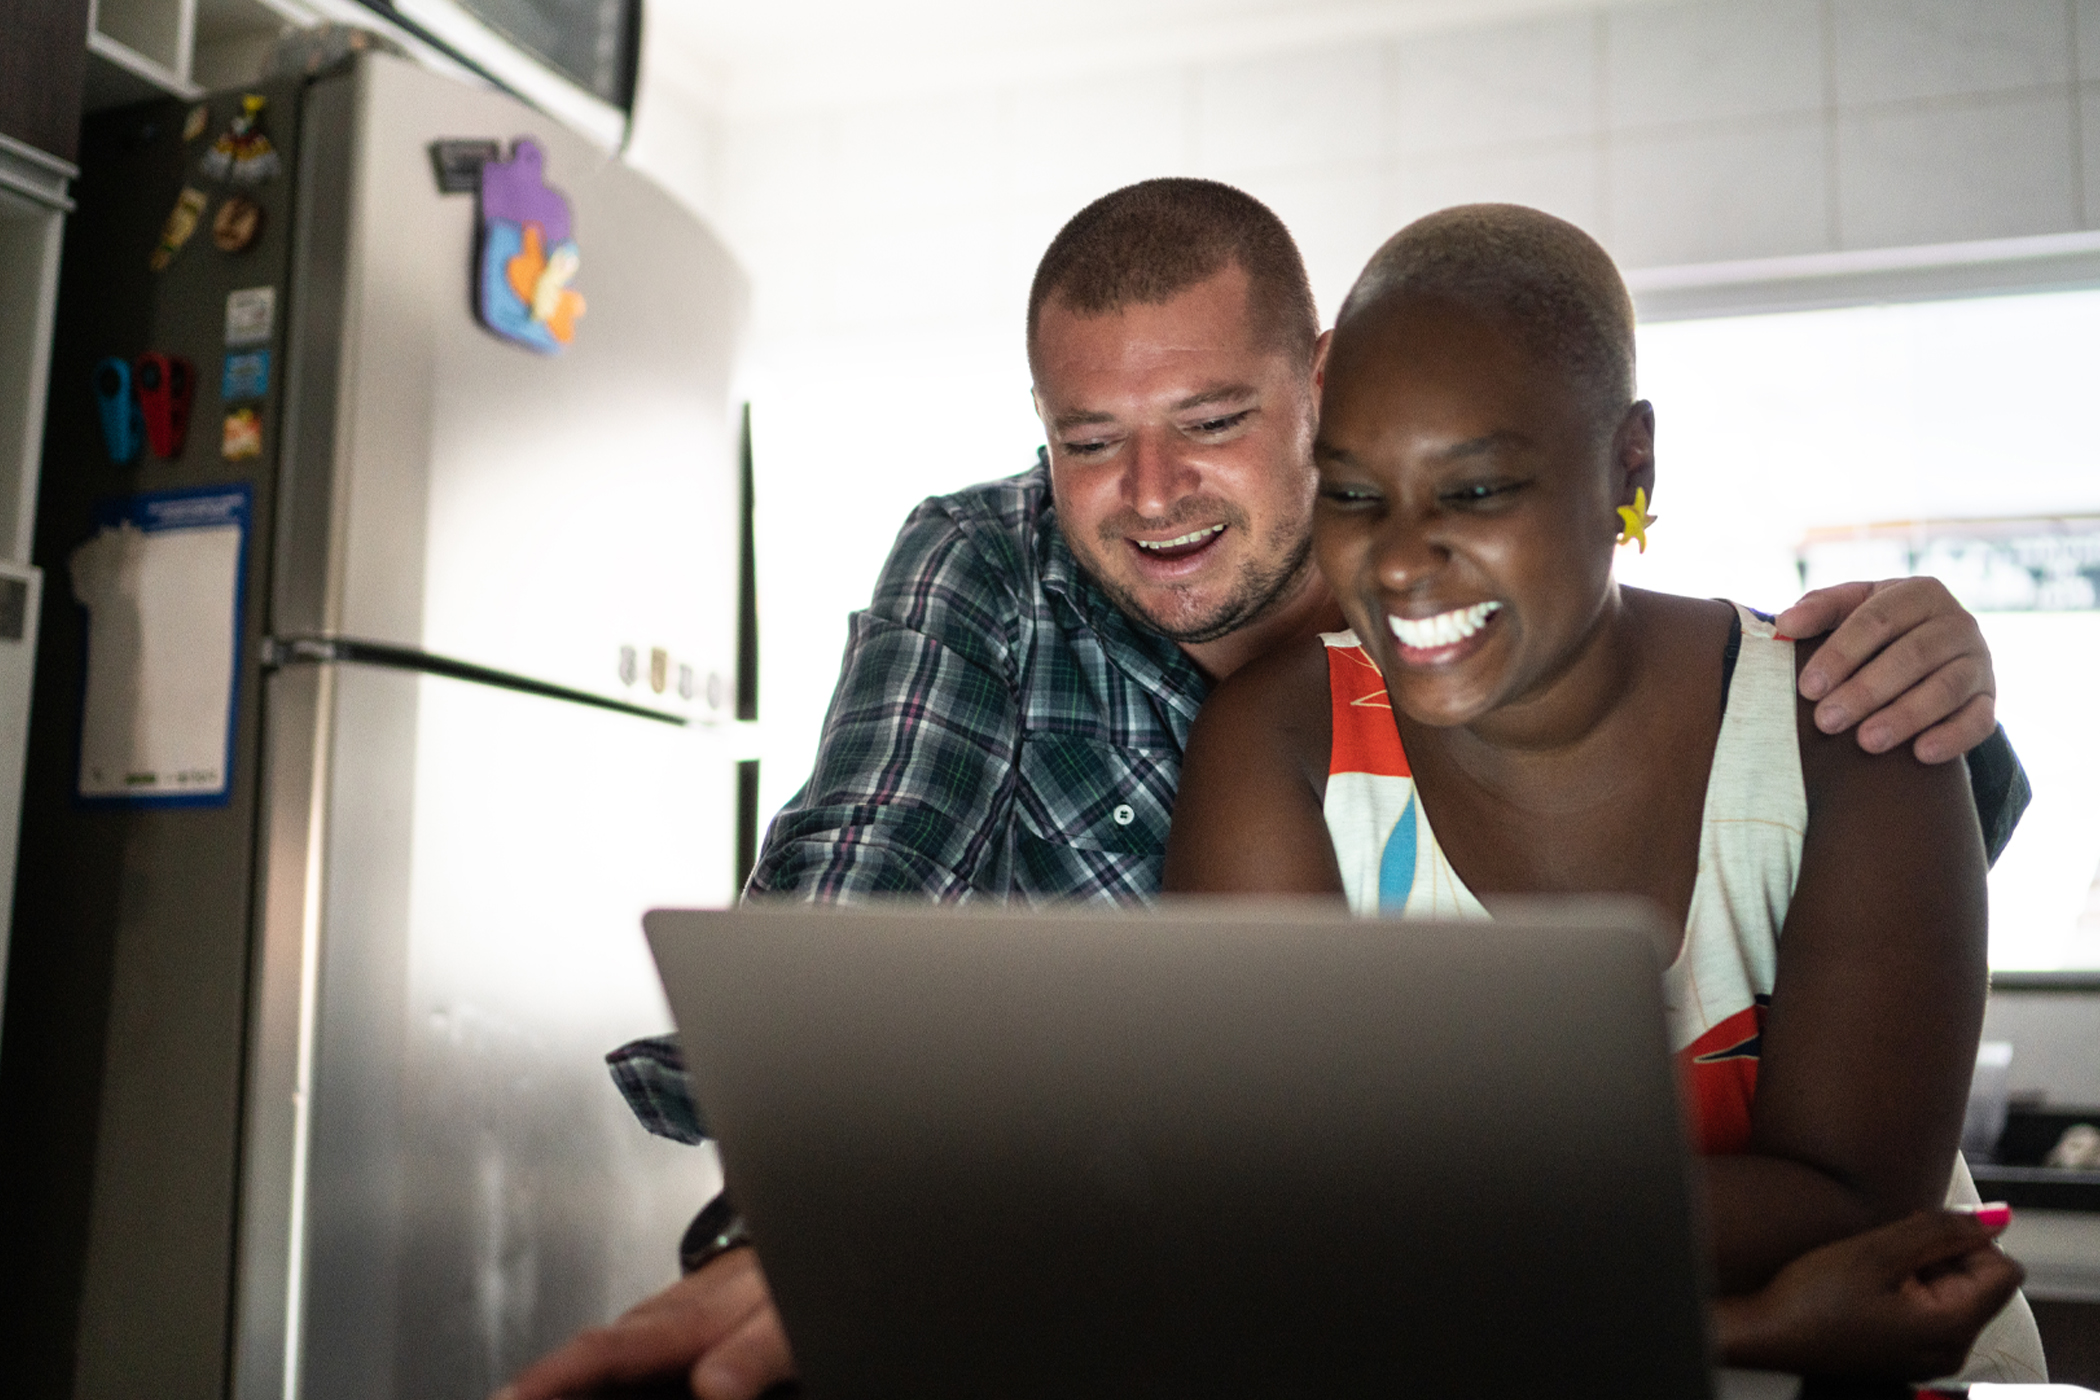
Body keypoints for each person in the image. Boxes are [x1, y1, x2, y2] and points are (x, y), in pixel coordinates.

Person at [497, 181, 2025, 1400]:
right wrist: (807, 1241)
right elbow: (852, 914)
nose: (1150, 493)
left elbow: (1848, 1051)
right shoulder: (1096, 635)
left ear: (1318, 389)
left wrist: (1947, 684)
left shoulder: (1754, 685)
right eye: (1090, 441)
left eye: (1213, 423)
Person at [1161, 202, 2039, 1380]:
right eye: (1356, 493)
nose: (1404, 561)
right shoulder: (1281, 749)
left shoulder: (1853, 717)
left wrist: (1406, 1222)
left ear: (1631, 463)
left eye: (1474, 492)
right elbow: (1272, 1230)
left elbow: (1855, 1206)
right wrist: (1742, 1309)